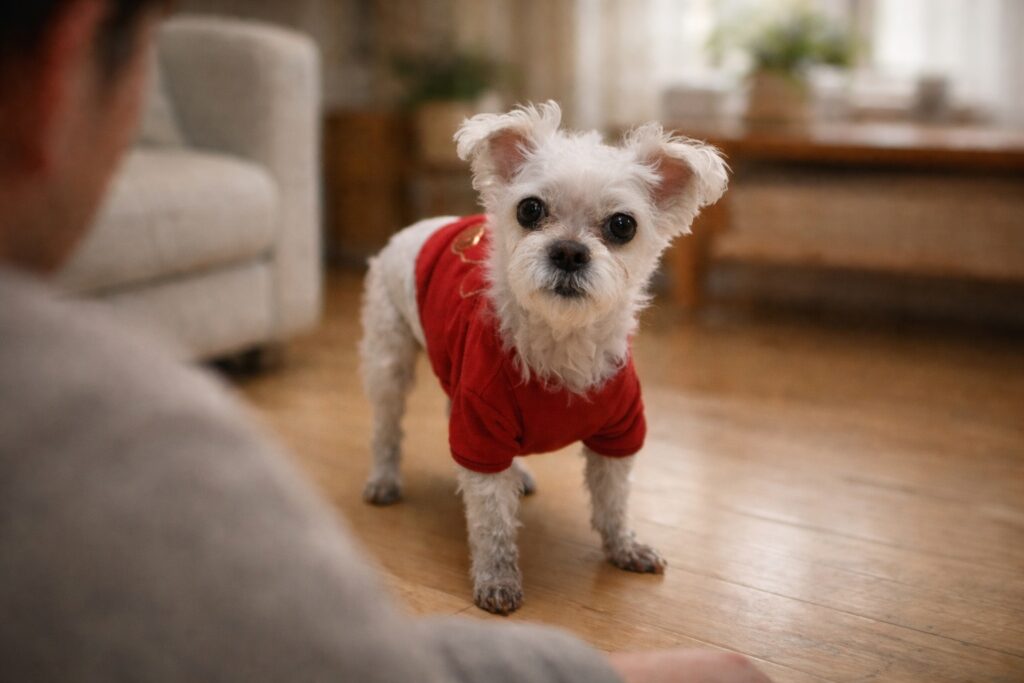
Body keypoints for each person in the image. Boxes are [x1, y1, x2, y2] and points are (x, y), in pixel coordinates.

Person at [0, 1, 773, 681]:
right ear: (501, 190)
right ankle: (388, 458)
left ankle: (613, 529)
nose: (571, 248)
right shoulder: (473, 342)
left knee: (578, 447)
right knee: (411, 394)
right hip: (408, 275)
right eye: (535, 214)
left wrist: (618, 536)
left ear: (662, 218)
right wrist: (497, 568)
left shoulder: (618, 382)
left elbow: (616, 444)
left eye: (617, 228)